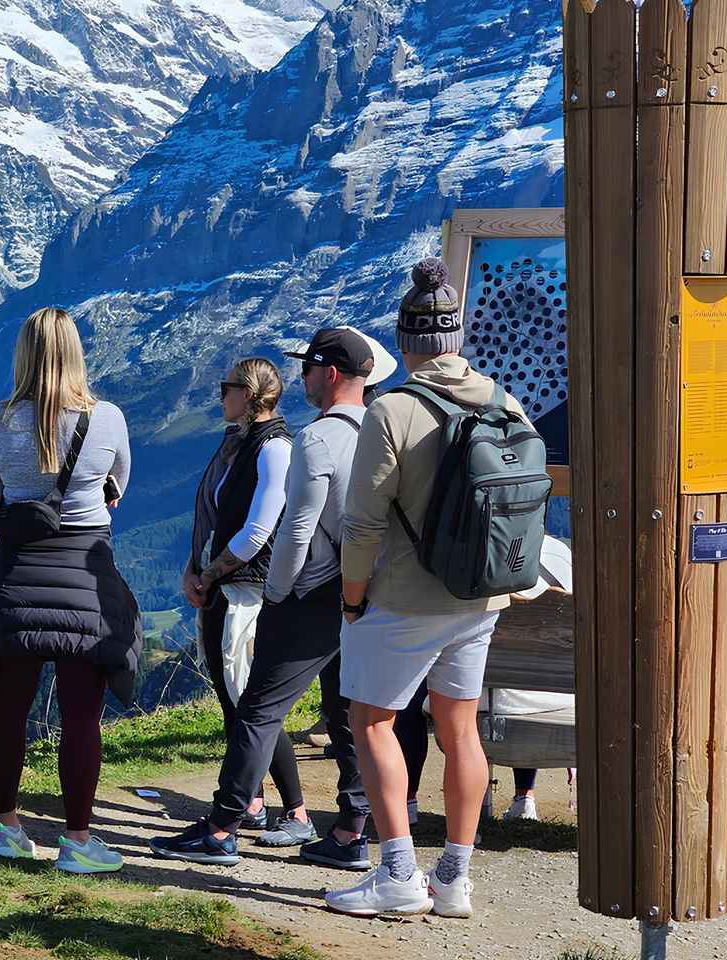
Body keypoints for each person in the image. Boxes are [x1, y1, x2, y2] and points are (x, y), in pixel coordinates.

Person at [326, 257, 532, 919]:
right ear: (456, 337)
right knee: (459, 728)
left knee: (372, 720)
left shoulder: (394, 411)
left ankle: (396, 875)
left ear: (406, 341)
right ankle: (454, 878)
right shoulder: (505, 400)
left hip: (404, 598)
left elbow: (361, 521)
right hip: (480, 596)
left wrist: (352, 596)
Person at [150, 329, 388, 866]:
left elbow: (294, 531)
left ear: (329, 374)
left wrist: (278, 594)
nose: (300, 378)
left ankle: (223, 826)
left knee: (258, 707)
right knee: (347, 711)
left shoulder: (314, 439)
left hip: (313, 591)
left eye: (307, 368)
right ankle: (351, 831)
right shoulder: (379, 429)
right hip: (369, 592)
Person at [0, 306, 142, 875]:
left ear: (23, 354)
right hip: (84, 580)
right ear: (74, 353)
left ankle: (8, 828)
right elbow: (120, 482)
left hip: (15, 575)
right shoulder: (107, 417)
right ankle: (78, 839)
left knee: (8, 708)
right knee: (80, 715)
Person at [180, 357, 292, 833]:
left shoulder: (274, 448)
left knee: (251, 699)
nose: (219, 396)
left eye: (225, 387)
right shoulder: (238, 444)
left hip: (248, 587)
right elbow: (213, 512)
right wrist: (195, 566)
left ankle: (296, 808)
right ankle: (251, 801)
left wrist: (212, 570)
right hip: (226, 585)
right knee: (234, 697)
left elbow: (258, 530)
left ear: (247, 394)